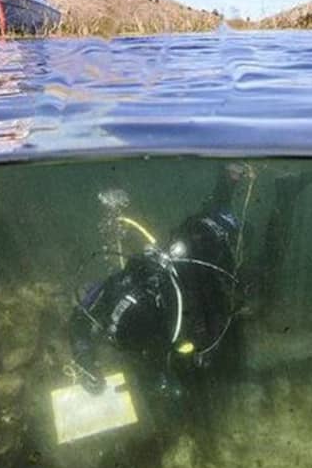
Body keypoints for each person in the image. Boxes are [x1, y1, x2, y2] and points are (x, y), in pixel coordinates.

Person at [68, 171, 243, 420]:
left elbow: (215, 317)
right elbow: (79, 320)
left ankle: (229, 183)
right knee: (200, 224)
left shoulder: (183, 296)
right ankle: (227, 184)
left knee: (208, 230)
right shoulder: (117, 286)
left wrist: (186, 365)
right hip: (190, 242)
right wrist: (85, 361)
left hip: (208, 250)